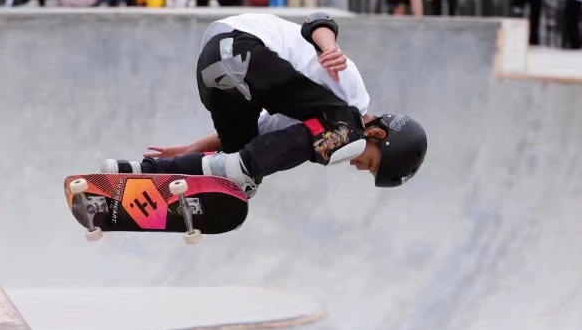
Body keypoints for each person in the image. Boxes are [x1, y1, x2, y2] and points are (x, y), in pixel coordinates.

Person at [100, 12, 427, 199]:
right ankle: (239, 171)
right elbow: (317, 21)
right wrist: (331, 47)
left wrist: (192, 148)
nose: (359, 167)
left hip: (215, 70)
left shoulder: (318, 123)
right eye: (371, 164)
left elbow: (263, 133)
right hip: (240, 47)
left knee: (237, 160)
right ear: (378, 134)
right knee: (345, 130)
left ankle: (135, 173)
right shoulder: (352, 100)